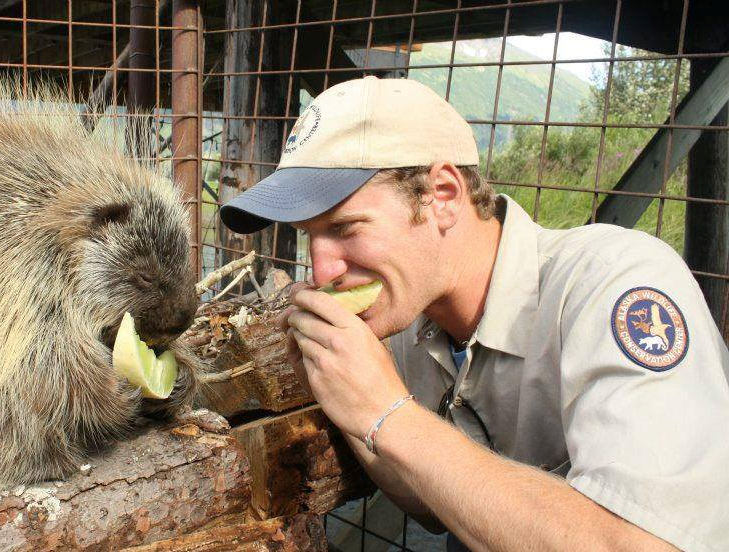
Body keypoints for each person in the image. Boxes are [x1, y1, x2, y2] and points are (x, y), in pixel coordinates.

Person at [219, 76, 729, 552]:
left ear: (443, 196)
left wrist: (388, 414)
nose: (321, 268)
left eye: (347, 228)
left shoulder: (616, 284)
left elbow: (643, 543)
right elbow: (433, 507)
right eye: (311, 235)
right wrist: (347, 401)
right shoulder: (405, 318)